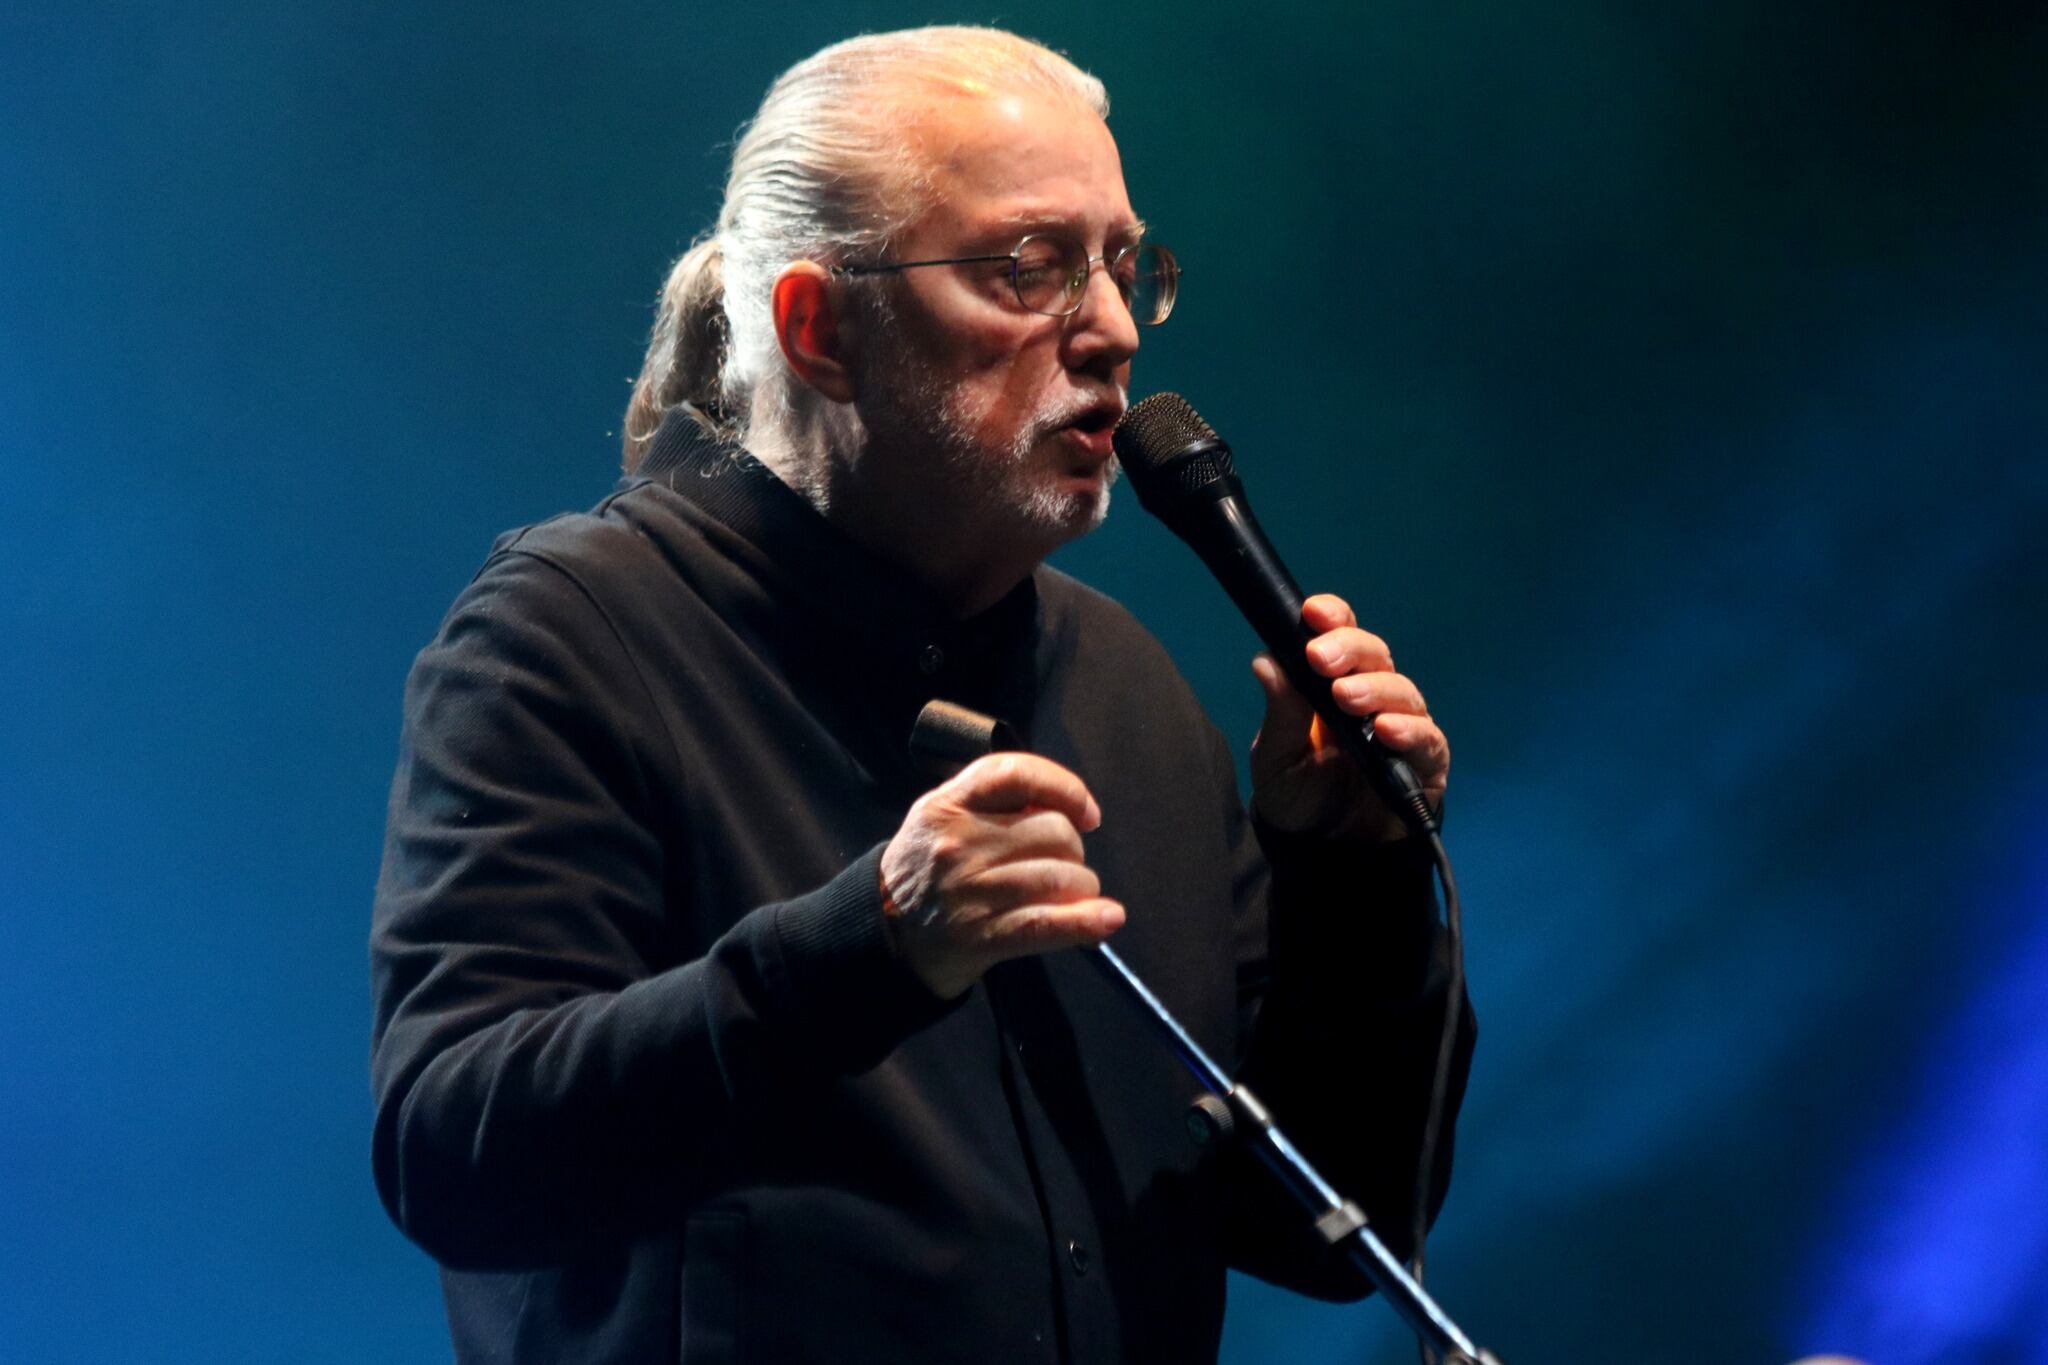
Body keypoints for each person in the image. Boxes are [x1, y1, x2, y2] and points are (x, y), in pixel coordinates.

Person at [370, 26, 1474, 1365]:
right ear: (818, 327)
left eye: (1125, 264)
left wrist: (1350, 877)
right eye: (1029, 268)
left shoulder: (1127, 688)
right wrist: (872, 946)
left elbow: (1330, 1230)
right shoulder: (577, 632)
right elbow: (455, 1156)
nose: (1114, 329)